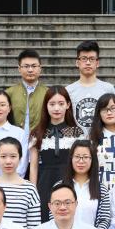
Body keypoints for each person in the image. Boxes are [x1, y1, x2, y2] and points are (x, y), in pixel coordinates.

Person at [29, 86, 83, 221]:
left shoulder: (77, 132)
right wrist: (33, 191)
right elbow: (33, 166)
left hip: (69, 182)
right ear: (46, 106)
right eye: (52, 104)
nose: (56, 108)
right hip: (44, 184)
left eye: (61, 103)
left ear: (68, 105)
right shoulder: (37, 133)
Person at [0, 137, 41, 229]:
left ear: (20, 158)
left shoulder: (30, 189)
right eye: (3, 156)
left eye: (13, 156)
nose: (8, 161)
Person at [66, 40, 115, 135]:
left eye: (92, 59)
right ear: (77, 62)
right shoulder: (68, 90)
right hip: (76, 141)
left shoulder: (108, 89)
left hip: (103, 140)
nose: (88, 62)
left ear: (97, 63)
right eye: (84, 58)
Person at [6, 49, 48, 135]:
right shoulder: (9, 93)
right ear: (19, 69)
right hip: (14, 139)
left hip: (40, 139)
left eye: (34, 66)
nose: (30, 70)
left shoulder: (47, 93)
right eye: (26, 66)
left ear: (40, 68)